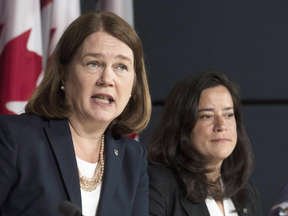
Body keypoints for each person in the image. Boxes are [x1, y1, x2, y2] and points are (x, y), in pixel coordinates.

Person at [0, 10, 151, 216]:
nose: (107, 78)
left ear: (134, 84)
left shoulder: (133, 159)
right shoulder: (16, 139)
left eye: (121, 67)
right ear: (63, 75)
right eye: (94, 63)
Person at [147, 71, 262, 216]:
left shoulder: (246, 194)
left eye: (228, 115)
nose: (221, 125)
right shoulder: (159, 184)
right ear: (182, 125)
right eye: (207, 116)